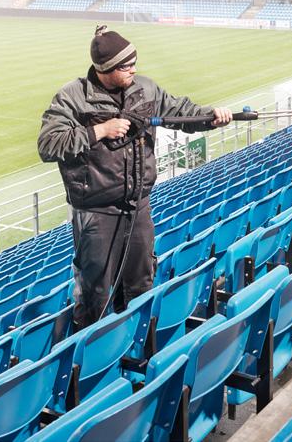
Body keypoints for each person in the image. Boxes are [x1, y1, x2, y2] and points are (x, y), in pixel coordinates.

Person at [38, 25, 232, 329]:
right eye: (127, 66)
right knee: (96, 294)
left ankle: (137, 349)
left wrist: (212, 117)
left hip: (139, 207)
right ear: (106, 68)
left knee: (142, 284)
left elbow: (181, 111)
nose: (134, 69)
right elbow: (49, 145)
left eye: (134, 63)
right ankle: (91, 362)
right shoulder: (72, 97)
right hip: (96, 214)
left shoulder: (145, 88)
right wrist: (99, 130)